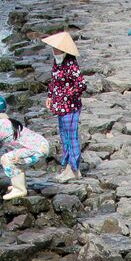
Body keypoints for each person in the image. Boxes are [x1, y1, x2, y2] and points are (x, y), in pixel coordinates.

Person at [0, 95, 49, 201]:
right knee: (14, 159)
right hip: (40, 147)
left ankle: (20, 189)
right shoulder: (0, 122)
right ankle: (20, 186)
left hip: (38, 148)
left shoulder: (1, 123)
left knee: (7, 158)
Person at [42, 31, 86, 181]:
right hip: (60, 106)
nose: (54, 50)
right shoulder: (57, 63)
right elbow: (54, 82)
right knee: (64, 136)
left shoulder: (71, 65)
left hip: (71, 107)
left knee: (71, 136)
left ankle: (74, 169)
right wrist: (50, 96)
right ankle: (68, 166)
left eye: (56, 48)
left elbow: (81, 85)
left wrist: (66, 96)